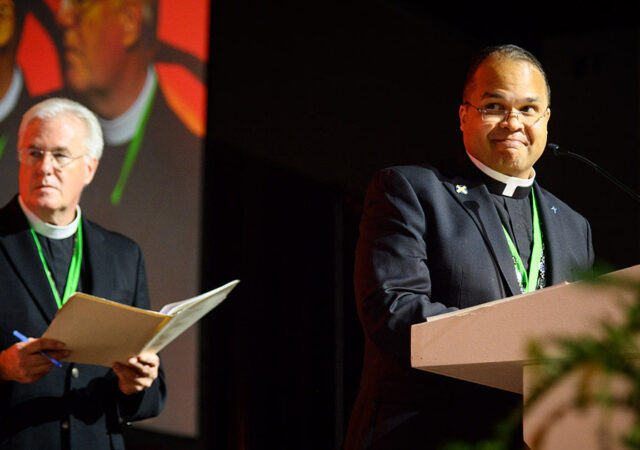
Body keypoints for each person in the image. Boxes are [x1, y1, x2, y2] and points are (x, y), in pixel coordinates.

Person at [345, 45, 594, 449]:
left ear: (547, 120)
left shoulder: (573, 225)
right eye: (495, 105)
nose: (513, 122)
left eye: (529, 109)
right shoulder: (412, 190)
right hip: (425, 434)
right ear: (465, 116)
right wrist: (526, 332)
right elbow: (393, 310)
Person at [0, 97, 166, 449]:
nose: (45, 167)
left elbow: (149, 398)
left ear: (89, 168)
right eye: (33, 152)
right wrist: (2, 368)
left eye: (60, 155)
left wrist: (137, 384)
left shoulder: (124, 255)